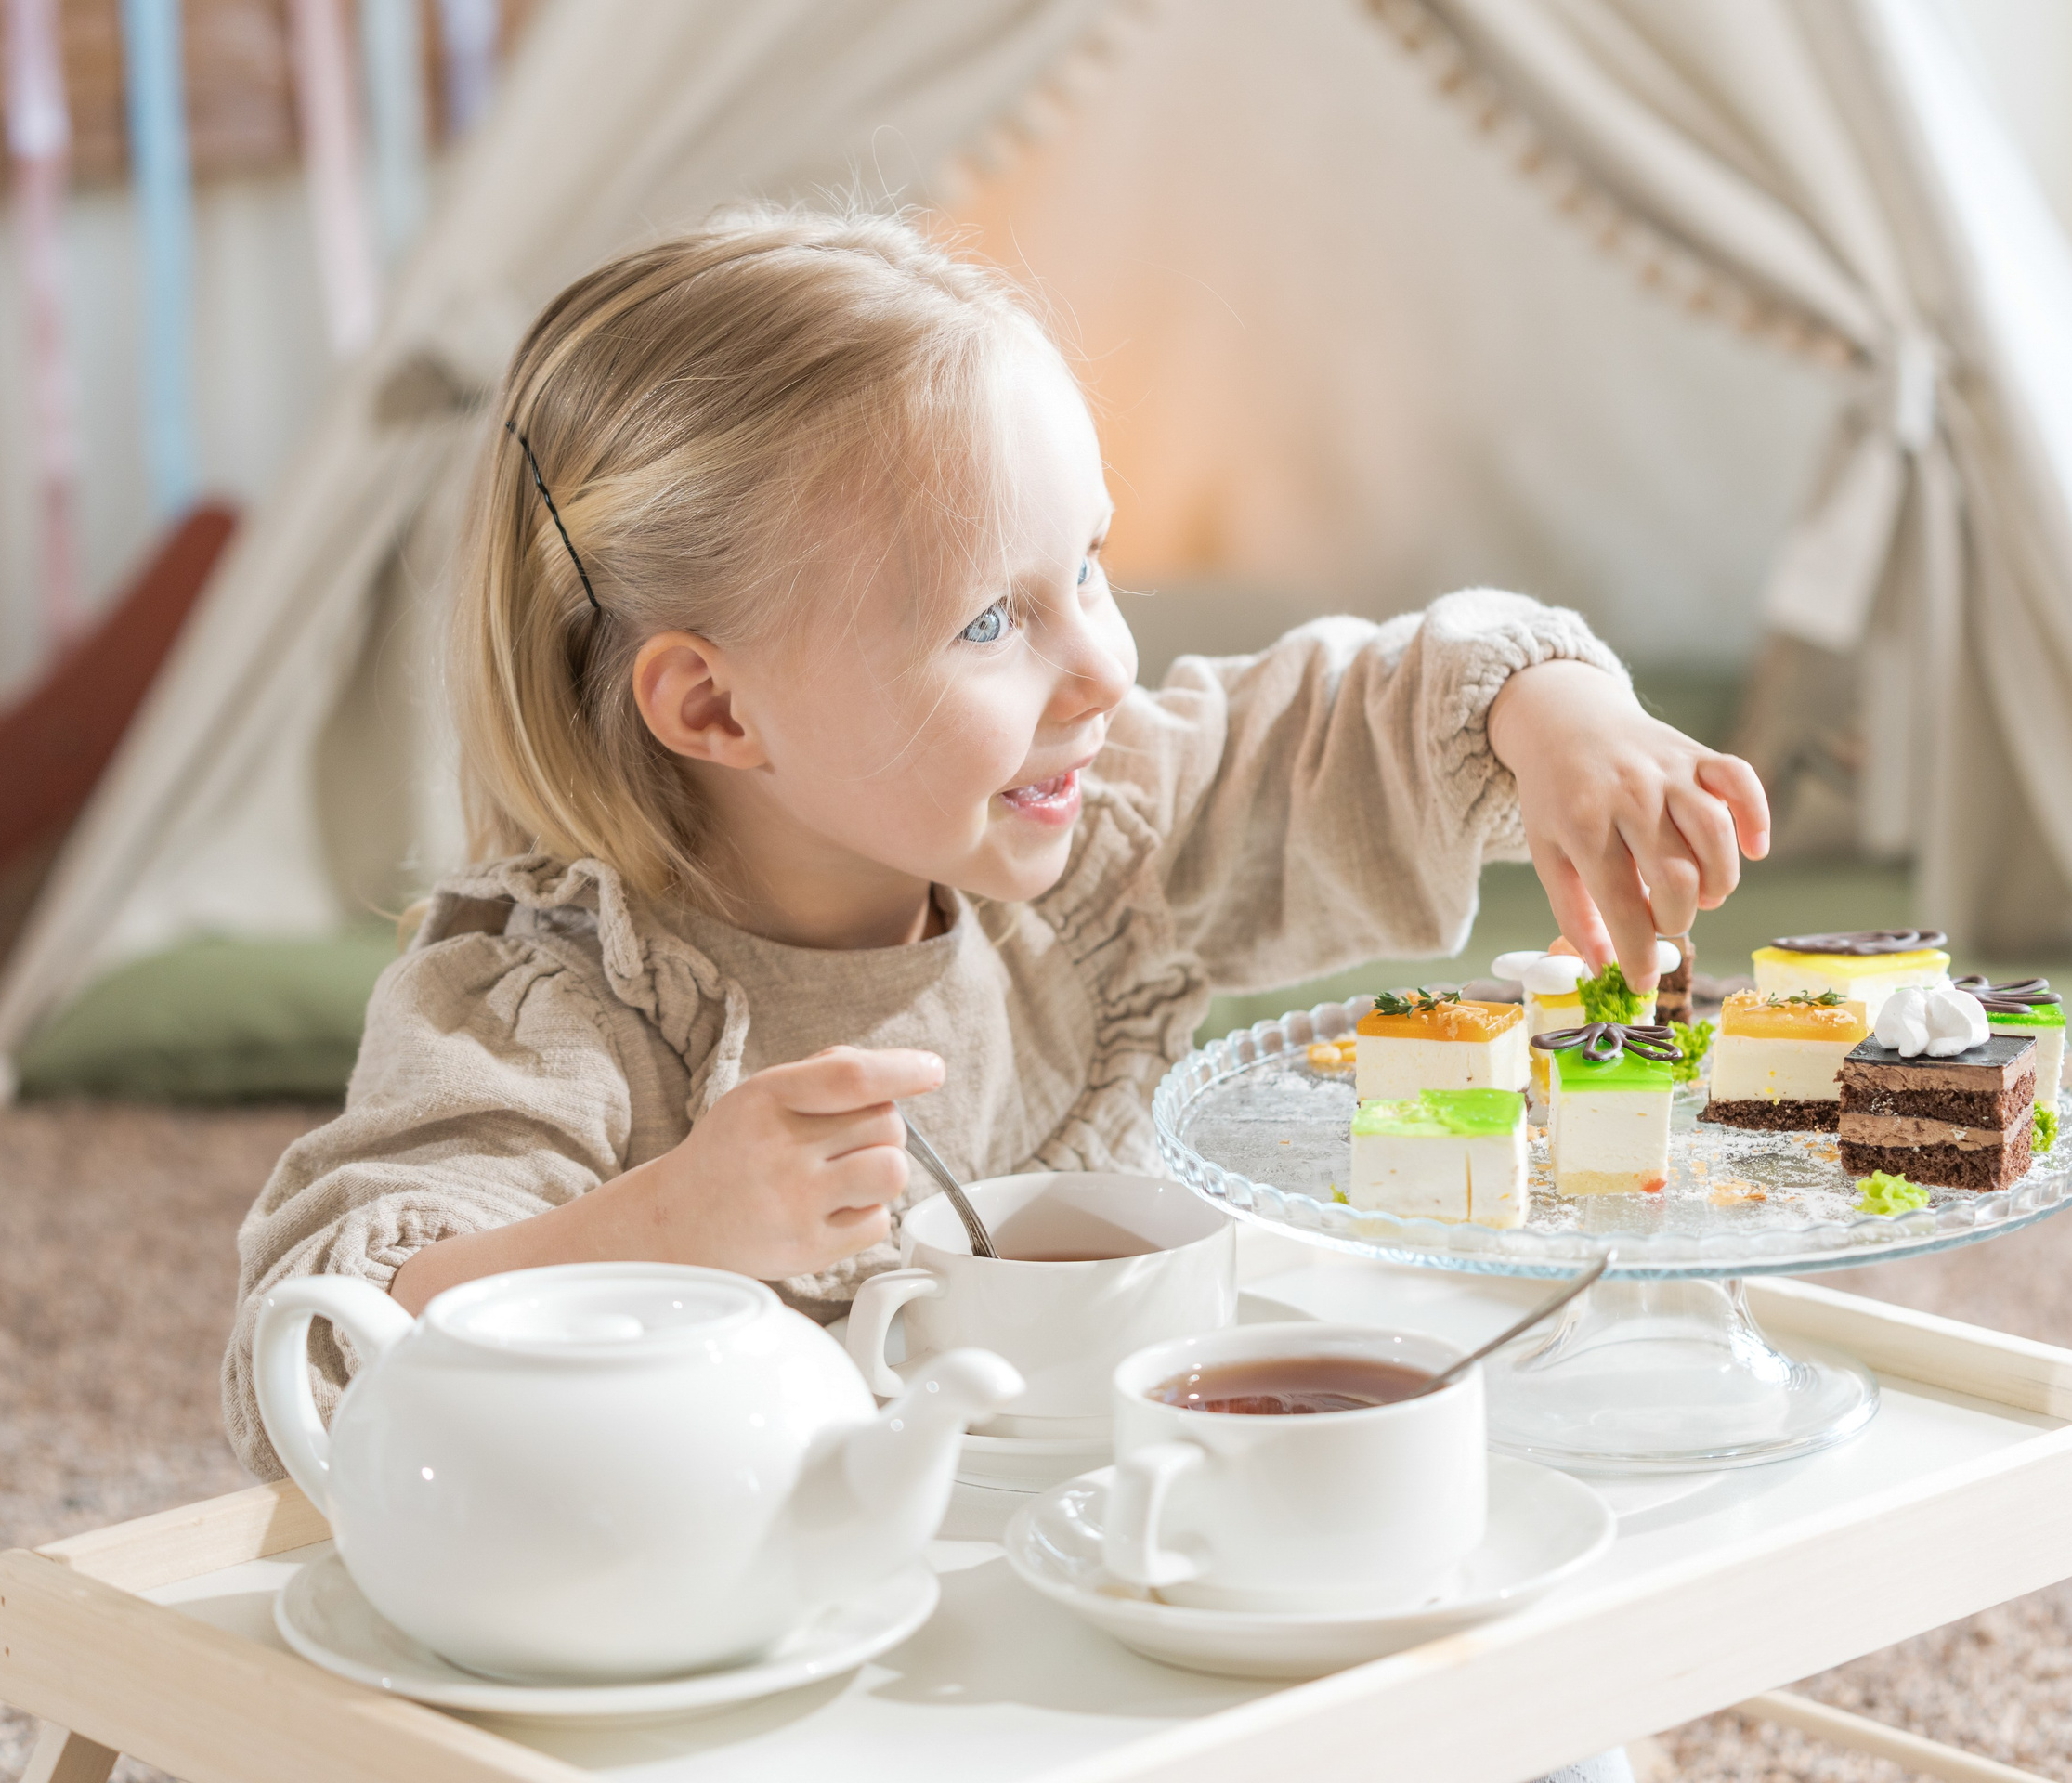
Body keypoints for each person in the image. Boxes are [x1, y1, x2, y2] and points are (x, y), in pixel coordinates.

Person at [225, 210, 1758, 1720]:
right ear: (712, 709)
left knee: (1528, 1696)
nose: (1101, 664)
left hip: (1119, 1603)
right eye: (988, 620)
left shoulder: (1106, 850)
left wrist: (1562, 718)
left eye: (1088, 565)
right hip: (762, 1678)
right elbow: (331, 1338)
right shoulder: (548, 1003)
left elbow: (1374, 702)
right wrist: (670, 1227)